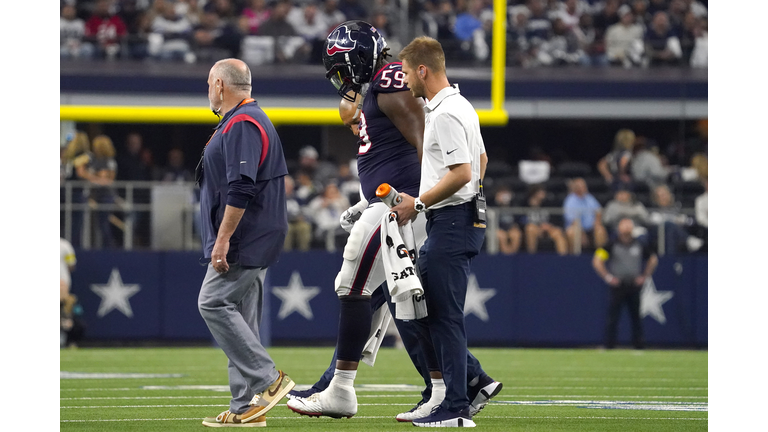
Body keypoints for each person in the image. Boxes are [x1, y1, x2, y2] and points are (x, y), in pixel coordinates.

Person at [287, 23, 501, 423]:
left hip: (403, 208)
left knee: (359, 285)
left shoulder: (392, 81)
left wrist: (416, 203)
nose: (341, 78)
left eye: (343, 68)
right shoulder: (383, 86)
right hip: (394, 203)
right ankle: (459, 383)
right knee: (405, 307)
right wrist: (367, 200)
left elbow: (426, 149)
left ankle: (340, 388)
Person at [390, 35, 492, 428]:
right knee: (430, 312)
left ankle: (457, 405)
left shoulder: (446, 112)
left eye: (406, 73)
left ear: (422, 70)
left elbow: (463, 172)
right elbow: (481, 160)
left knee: (442, 316)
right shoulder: (459, 105)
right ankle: (472, 383)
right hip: (459, 219)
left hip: (451, 221)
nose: (404, 81)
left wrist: (418, 203)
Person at [195, 58, 295, 428]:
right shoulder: (243, 120)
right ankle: (245, 407)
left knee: (212, 302)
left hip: (245, 236)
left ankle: (269, 380)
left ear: (220, 85)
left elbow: (241, 186)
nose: (208, 90)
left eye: (209, 83)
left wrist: (223, 239)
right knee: (243, 320)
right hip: (253, 234)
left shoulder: (243, 122)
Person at [592, 218, 658, 349]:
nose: (627, 228)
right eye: (624, 226)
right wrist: (608, 277)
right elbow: (597, 260)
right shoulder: (611, 244)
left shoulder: (640, 244)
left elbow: (653, 259)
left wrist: (644, 276)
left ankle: (639, 345)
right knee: (613, 316)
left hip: (633, 285)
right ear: (619, 228)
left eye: (629, 226)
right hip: (618, 285)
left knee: (636, 316)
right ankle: (609, 344)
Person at [563, 177, 608, 254]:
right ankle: (573, 257)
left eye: (584, 186)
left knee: (600, 230)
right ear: (576, 188)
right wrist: (581, 232)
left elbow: (598, 211)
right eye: (581, 186)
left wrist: (597, 223)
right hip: (577, 227)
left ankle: (600, 256)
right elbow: (572, 220)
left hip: (591, 228)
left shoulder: (589, 198)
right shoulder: (570, 200)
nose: (584, 188)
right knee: (571, 232)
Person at [522, 184, 567, 255]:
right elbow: (521, 220)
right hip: (535, 229)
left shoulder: (549, 203)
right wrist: (532, 206)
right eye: (540, 192)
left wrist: (549, 225)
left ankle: (563, 258)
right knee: (530, 229)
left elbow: (555, 217)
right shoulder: (525, 204)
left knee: (558, 233)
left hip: (548, 228)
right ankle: (531, 256)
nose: (543, 194)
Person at [492, 185, 522, 255]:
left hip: (510, 227)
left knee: (516, 235)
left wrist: (515, 226)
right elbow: (490, 216)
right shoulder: (493, 204)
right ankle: (505, 256)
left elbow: (518, 217)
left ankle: (513, 255)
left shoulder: (513, 205)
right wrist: (498, 203)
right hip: (498, 228)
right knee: (502, 236)